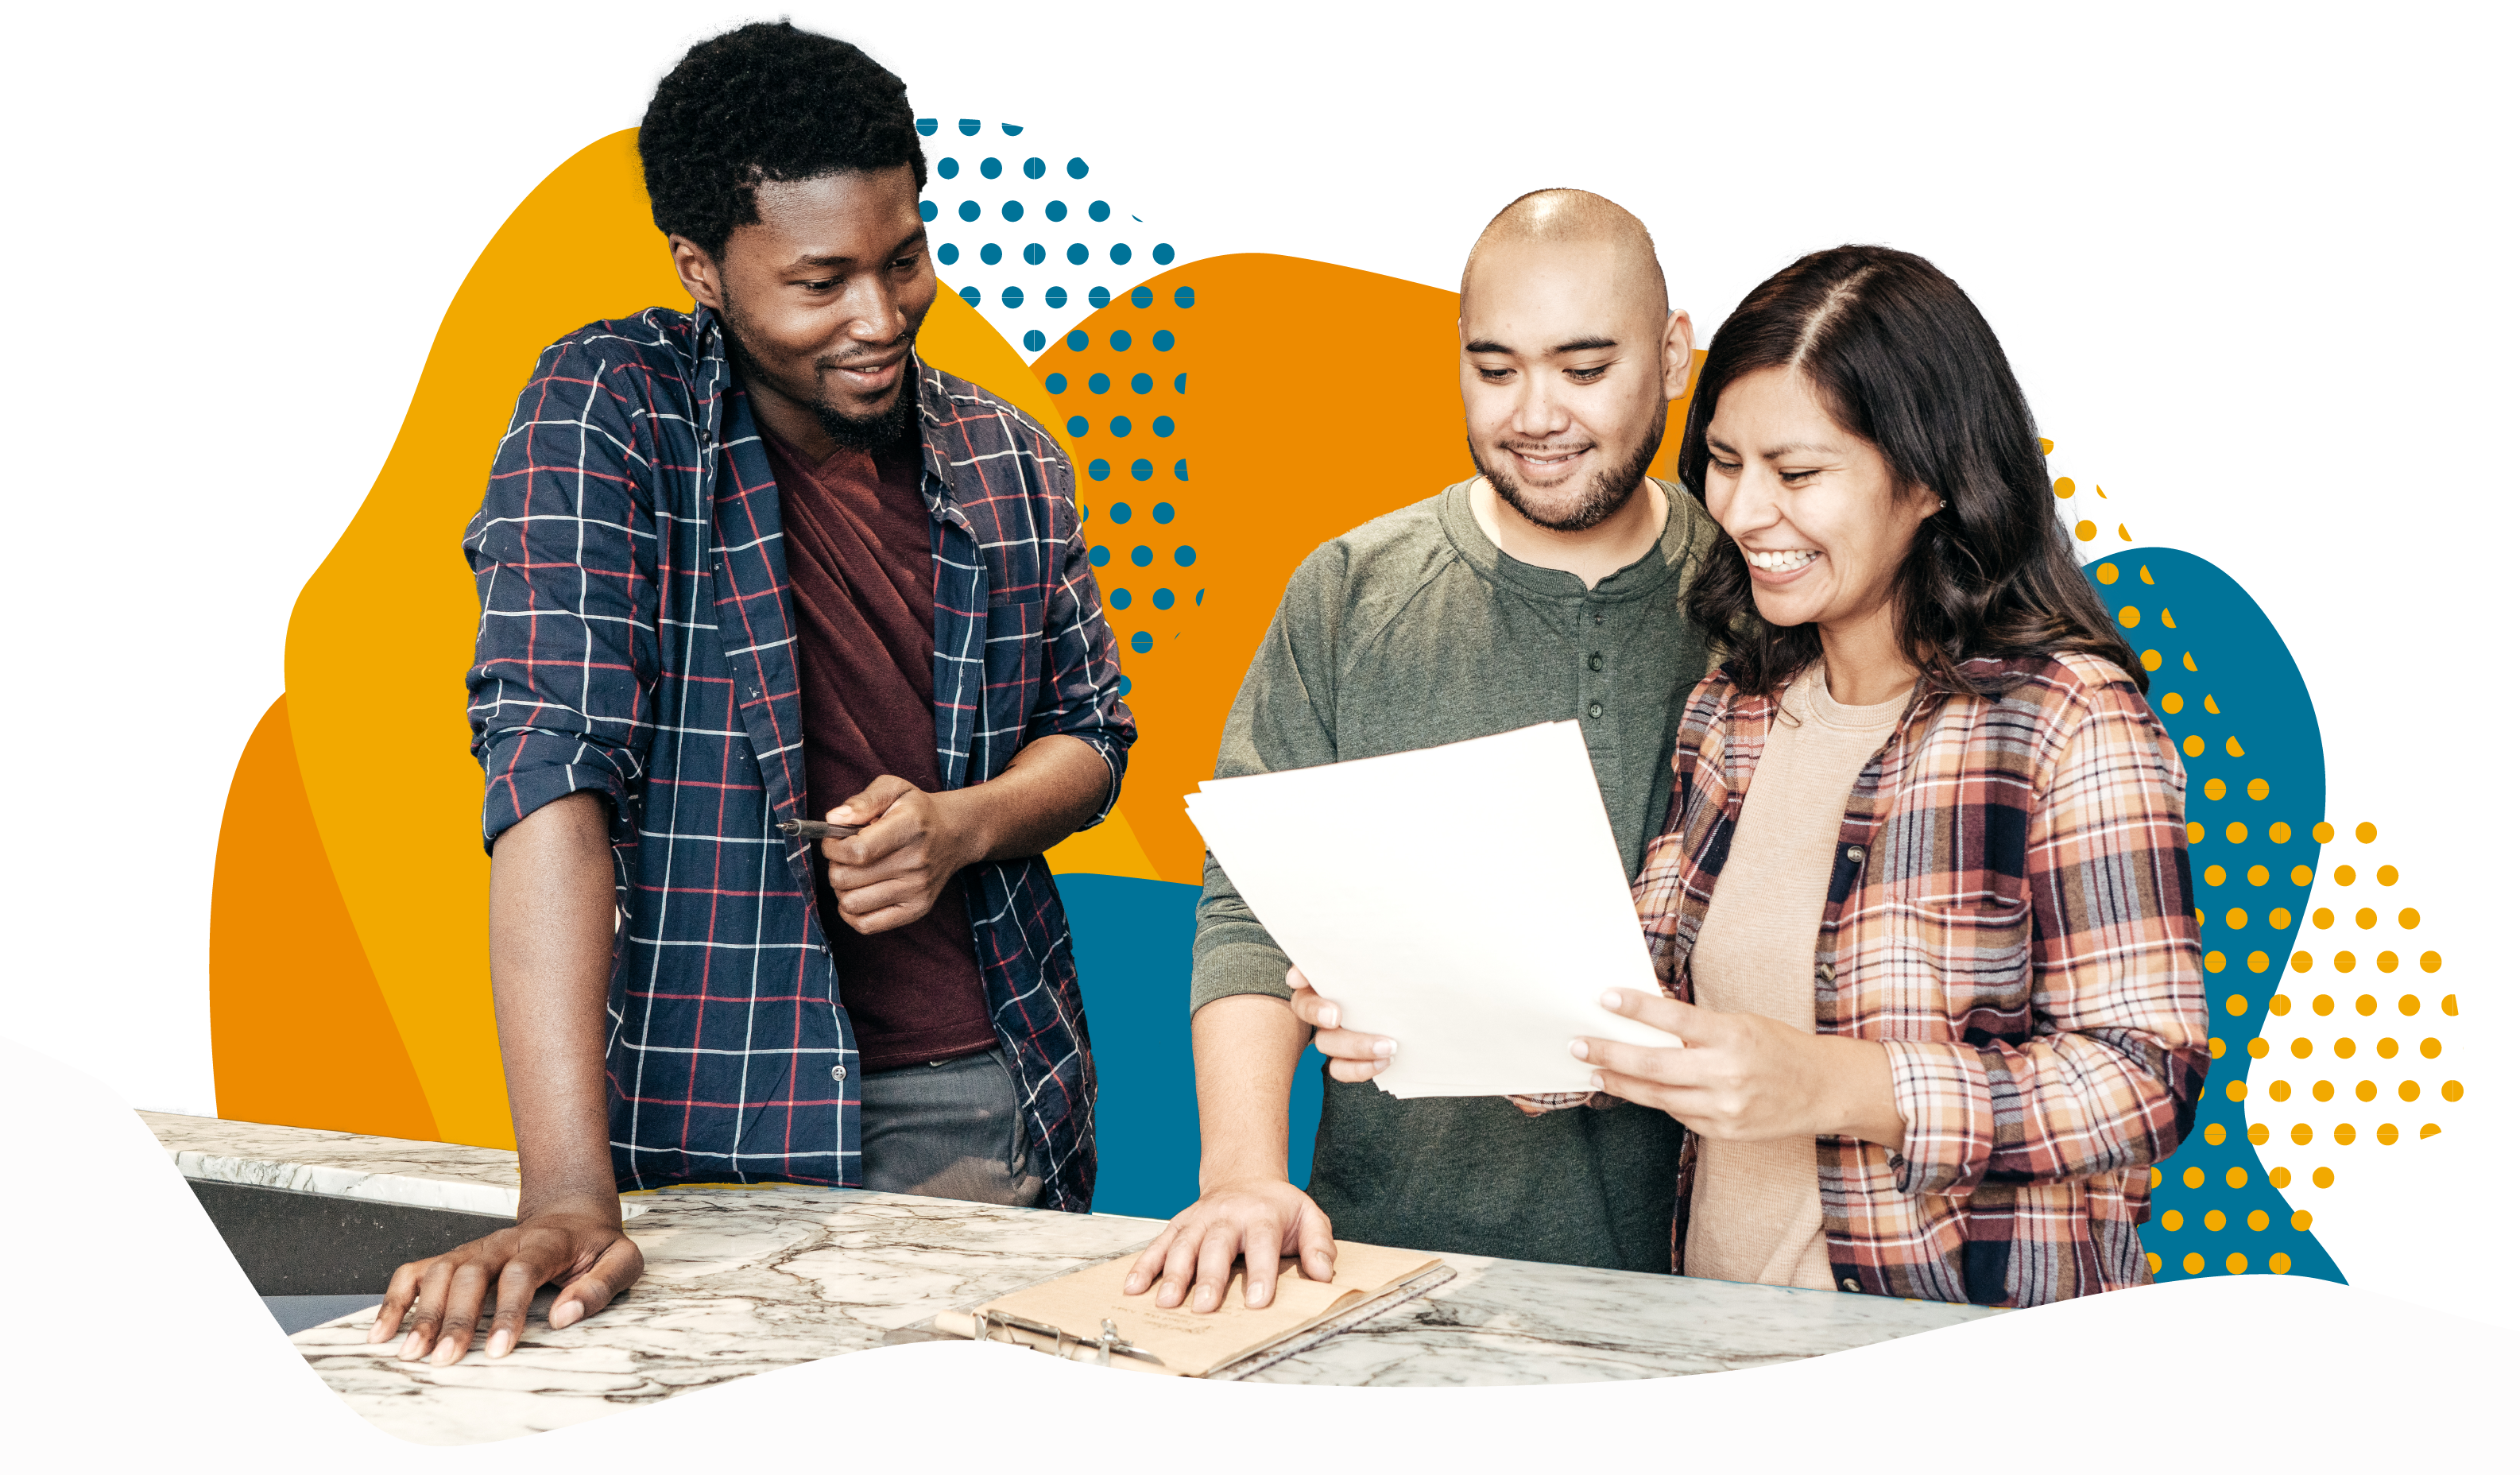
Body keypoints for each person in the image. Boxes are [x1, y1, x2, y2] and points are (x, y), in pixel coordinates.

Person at [372, 11, 1135, 1366]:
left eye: (904, 260)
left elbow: (1090, 736)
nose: (878, 318)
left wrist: (959, 826)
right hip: (708, 1118)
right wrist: (566, 1194)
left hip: (984, 1101)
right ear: (701, 267)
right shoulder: (611, 411)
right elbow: (551, 773)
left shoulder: (1010, 457)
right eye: (819, 280)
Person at [1316, 238, 2207, 1306]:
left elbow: (2145, 1078)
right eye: (1725, 463)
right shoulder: (1732, 713)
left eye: (1796, 474)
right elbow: (1638, 1004)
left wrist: (1833, 1084)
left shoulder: (2065, 720)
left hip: (1950, 1356)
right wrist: (1440, 1009)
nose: (1741, 514)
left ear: (1929, 479)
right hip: (1721, 1346)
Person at [1125, 188, 1713, 1314]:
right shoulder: (1350, 592)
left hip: (1708, 1282)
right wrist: (1242, 1178)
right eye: (1495, 369)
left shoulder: (1761, 596)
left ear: (1674, 355)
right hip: (1386, 1267)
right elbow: (1250, 911)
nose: (1536, 415)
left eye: (1585, 369)